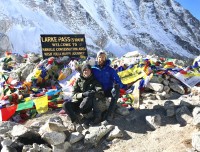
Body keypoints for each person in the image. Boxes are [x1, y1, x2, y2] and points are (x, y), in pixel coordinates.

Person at [62, 64, 106, 128]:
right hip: (77, 102)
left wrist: (94, 93)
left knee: (87, 98)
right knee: (65, 104)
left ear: (90, 71)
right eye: (84, 70)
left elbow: (100, 92)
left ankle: (82, 115)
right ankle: (75, 120)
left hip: (87, 105)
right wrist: (83, 94)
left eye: (88, 70)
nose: (86, 72)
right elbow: (73, 94)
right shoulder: (78, 80)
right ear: (82, 71)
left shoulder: (95, 81)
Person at [92, 50, 126, 120]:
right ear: (97, 58)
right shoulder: (93, 69)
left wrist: (122, 86)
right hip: (98, 91)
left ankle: (110, 112)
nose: (101, 59)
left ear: (105, 58)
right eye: (100, 57)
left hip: (108, 90)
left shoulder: (110, 70)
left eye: (103, 57)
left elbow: (117, 79)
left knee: (116, 90)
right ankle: (97, 115)